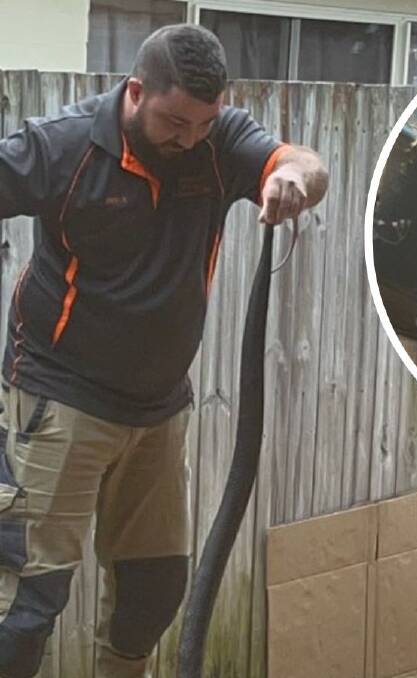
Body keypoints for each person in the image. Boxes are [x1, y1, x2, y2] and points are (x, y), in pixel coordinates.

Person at [0, 24, 327, 678]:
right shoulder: (62, 149)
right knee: (24, 607)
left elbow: (304, 163)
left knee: (153, 591)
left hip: (156, 412)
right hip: (60, 402)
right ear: (134, 92)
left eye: (201, 124)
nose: (188, 138)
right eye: (174, 121)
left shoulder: (218, 142)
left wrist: (291, 180)